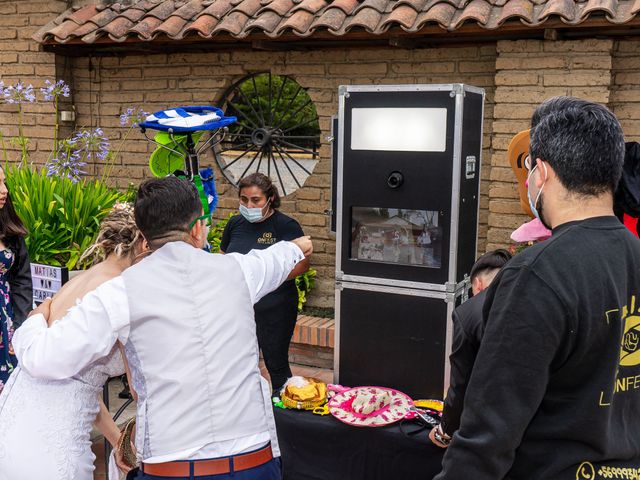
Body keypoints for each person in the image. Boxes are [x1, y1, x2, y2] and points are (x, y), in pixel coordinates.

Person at [13, 176, 312, 480]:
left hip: (174, 467)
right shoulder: (240, 269)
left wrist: (37, 317)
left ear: (143, 237)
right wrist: (298, 246)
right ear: (197, 229)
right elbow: (292, 252)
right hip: (254, 463)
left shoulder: (118, 293)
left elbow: (43, 359)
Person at [434, 96, 640, 479]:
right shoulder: (633, 252)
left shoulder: (537, 273)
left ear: (541, 172)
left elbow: (488, 432)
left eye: (528, 168)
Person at [0, 203, 141, 479]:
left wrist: (117, 442)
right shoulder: (119, 294)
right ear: (143, 245)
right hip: (54, 445)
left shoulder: (79, 282)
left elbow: (77, 386)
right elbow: (140, 387)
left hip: (13, 425)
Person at [220, 172, 310, 395]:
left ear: (270, 198)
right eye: (244, 199)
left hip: (275, 309)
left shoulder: (286, 226)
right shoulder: (235, 223)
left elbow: (302, 265)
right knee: (238, 365)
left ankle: (283, 414)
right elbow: (224, 257)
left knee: (276, 364)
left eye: (255, 200)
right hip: (240, 309)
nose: (249, 204)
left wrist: (264, 276)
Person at [429, 249, 512, 448]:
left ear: (478, 284)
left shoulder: (470, 312)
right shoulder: (536, 301)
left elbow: (461, 382)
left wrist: (444, 431)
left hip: (490, 425)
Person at [0, 165, 32, 394]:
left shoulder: (9, 232)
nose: (4, 191)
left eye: (4, 183)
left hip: (6, 323)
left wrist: (21, 326)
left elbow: (22, 282)